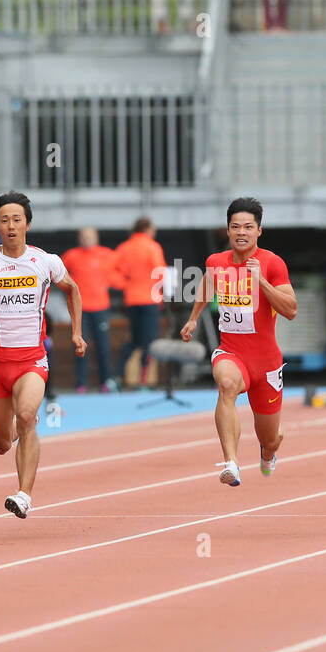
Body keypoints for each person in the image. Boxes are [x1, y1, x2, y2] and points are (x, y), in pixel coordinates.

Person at [0, 191, 86, 518]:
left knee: (28, 416)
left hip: (32, 360)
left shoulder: (46, 261)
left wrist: (75, 331)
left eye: (17, 219)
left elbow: (72, 289)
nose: (11, 226)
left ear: (27, 224)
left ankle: (24, 495)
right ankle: (17, 430)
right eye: (4, 220)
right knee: (2, 444)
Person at [180, 198, 295, 486]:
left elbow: (291, 310)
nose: (241, 232)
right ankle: (231, 462)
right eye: (235, 227)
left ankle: (267, 452)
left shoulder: (272, 263)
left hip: (266, 361)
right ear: (228, 231)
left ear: (259, 231)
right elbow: (207, 283)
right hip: (232, 352)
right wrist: (194, 317)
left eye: (248, 227)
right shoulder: (217, 262)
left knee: (270, 436)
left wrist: (262, 283)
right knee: (227, 385)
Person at [62, 227, 120, 393]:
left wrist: (114, 282)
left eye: (90, 236)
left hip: (100, 307)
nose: (87, 239)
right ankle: (81, 383)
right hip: (80, 309)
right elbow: (58, 273)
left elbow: (120, 271)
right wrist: (69, 287)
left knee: (103, 346)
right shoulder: (71, 256)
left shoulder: (107, 254)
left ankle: (105, 381)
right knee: (80, 346)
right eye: (84, 236)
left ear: (96, 238)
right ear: (80, 238)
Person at [114, 217, 168, 387]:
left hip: (132, 299)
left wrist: (124, 284)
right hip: (149, 299)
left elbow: (109, 270)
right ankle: (144, 380)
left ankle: (116, 377)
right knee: (150, 342)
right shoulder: (152, 247)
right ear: (147, 229)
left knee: (135, 340)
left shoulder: (124, 248)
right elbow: (161, 273)